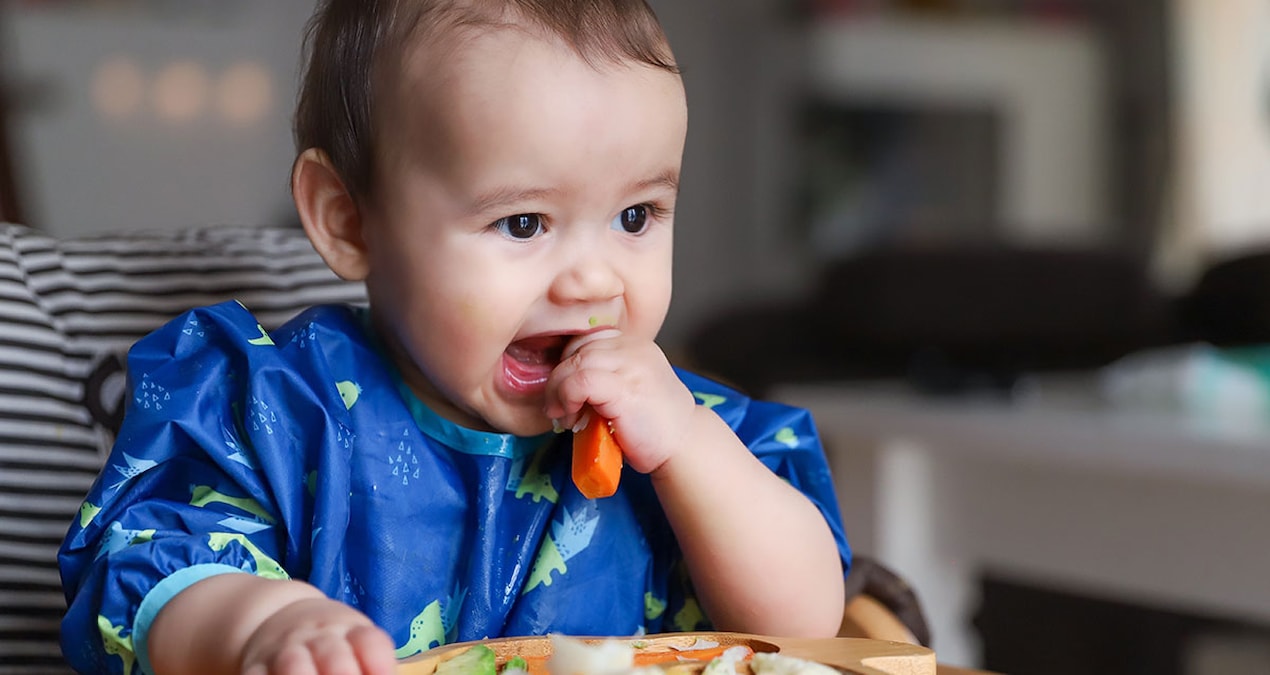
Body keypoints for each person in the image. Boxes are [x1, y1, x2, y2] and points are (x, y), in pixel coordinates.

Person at [58, 1, 852, 673]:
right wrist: (258, 626)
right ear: (349, 220)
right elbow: (150, 568)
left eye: (635, 216)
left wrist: (688, 448)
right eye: (522, 222)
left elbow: (811, 623)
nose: (595, 281)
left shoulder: (688, 435)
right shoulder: (273, 410)